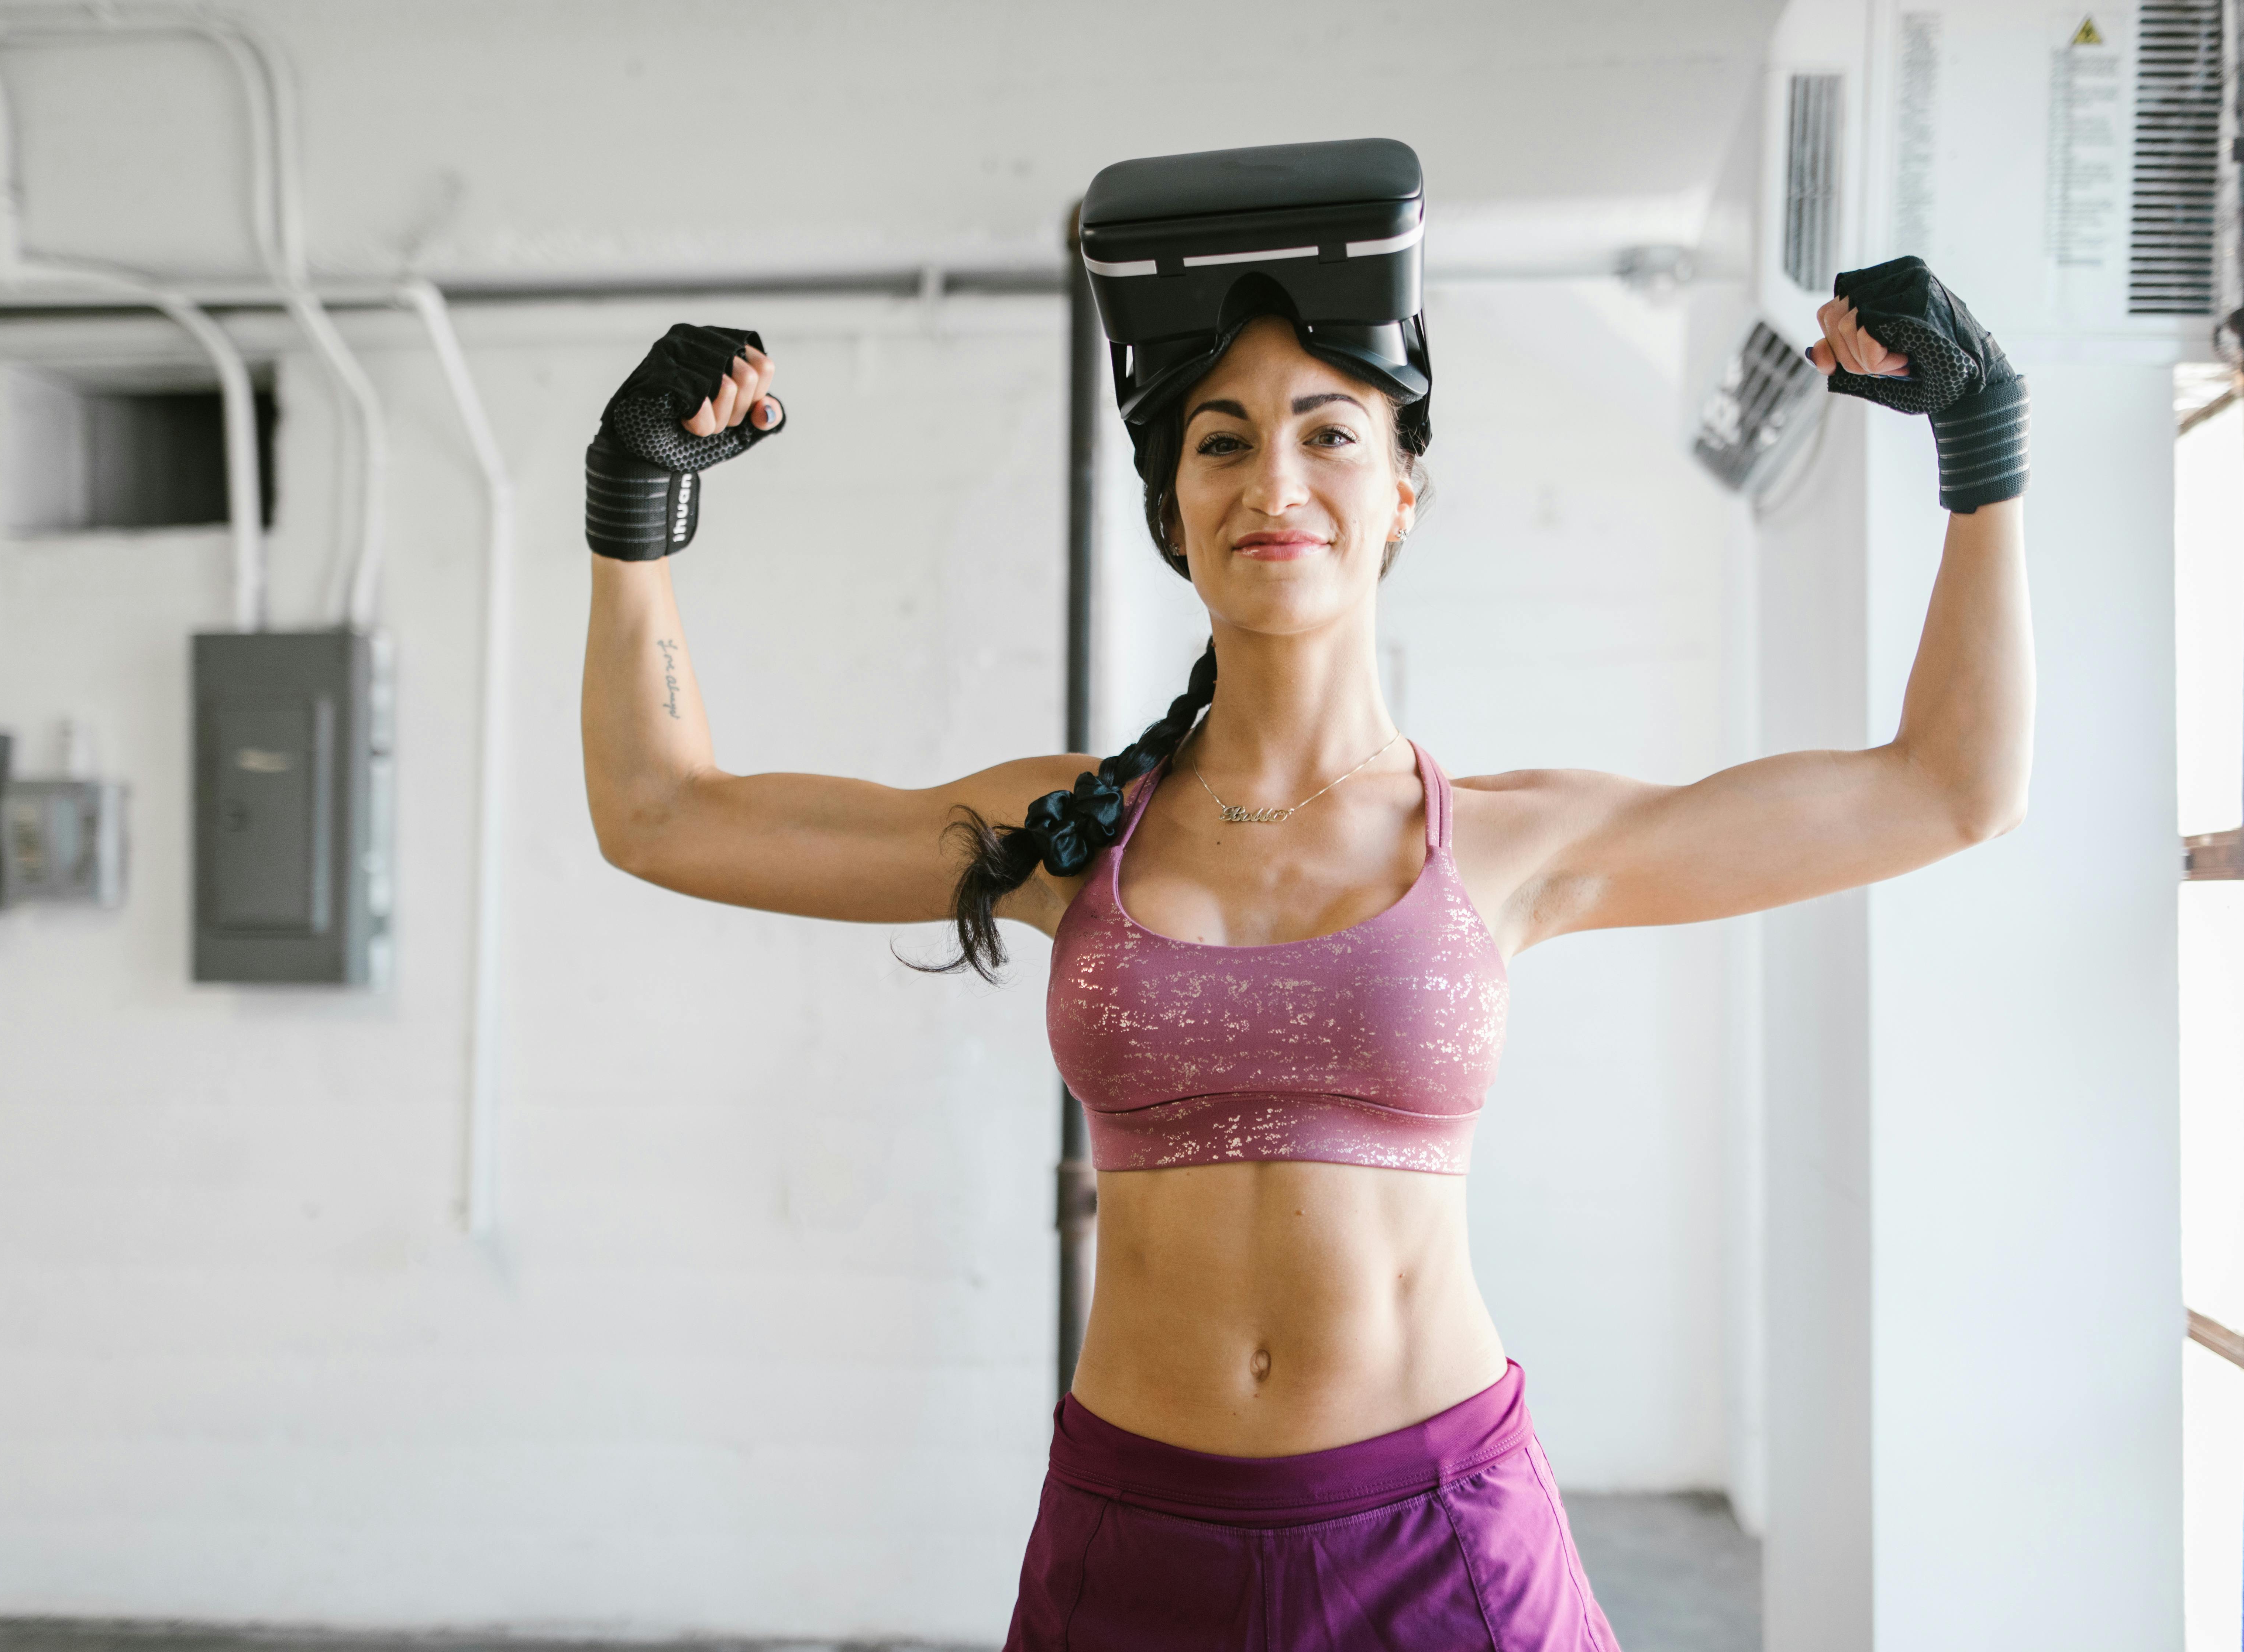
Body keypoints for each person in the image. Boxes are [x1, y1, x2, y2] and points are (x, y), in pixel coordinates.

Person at [577, 253, 2030, 1647]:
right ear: (1175, 509)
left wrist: (1982, 442)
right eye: (1220, 444)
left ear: (1400, 494)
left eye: (1327, 434)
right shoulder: (1070, 831)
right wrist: (633, 506)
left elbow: (1947, 788)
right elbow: (665, 818)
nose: (1273, 482)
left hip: (1437, 1541)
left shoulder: (1509, 841)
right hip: (1134, 1535)